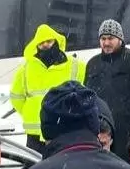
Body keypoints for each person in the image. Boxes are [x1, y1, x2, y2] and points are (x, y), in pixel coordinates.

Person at [82, 19, 130, 161]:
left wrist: (126, 108)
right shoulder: (93, 64)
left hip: (126, 131)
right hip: (99, 131)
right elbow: (87, 93)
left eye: (110, 38)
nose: (106, 43)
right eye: (103, 39)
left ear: (120, 39)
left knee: (125, 168)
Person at [10, 24, 86, 155]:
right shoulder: (26, 69)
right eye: (41, 43)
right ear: (36, 46)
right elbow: (16, 97)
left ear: (56, 41)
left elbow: (85, 95)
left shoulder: (76, 65)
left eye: (49, 41)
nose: (45, 45)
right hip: (35, 135)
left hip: (64, 130)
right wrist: (31, 113)